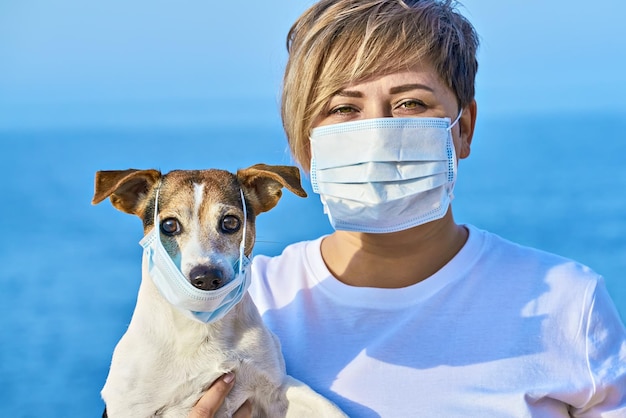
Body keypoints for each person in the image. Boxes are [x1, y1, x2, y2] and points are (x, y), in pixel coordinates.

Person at [190, 0, 626, 416]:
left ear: (464, 129)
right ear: (305, 147)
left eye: (411, 103)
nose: (377, 132)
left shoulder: (571, 304)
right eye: (343, 107)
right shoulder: (240, 304)